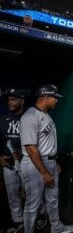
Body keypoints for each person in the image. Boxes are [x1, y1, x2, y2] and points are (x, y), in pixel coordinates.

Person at [19, 84, 73, 233]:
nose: (56, 101)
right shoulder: (30, 117)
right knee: (33, 204)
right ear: (45, 97)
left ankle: (57, 228)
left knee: (52, 199)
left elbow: (46, 143)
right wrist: (44, 172)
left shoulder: (46, 115)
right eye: (54, 98)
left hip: (48, 161)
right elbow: (31, 149)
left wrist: (53, 161)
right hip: (35, 164)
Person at [0, 89, 25, 232]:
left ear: (22, 100)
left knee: (32, 192)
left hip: (26, 162)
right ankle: (18, 222)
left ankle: (40, 216)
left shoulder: (29, 116)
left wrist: (23, 152)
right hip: (8, 164)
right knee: (12, 195)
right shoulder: (3, 119)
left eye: (14, 99)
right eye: (9, 99)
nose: (10, 102)